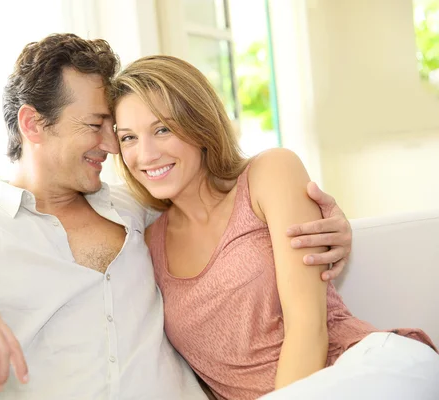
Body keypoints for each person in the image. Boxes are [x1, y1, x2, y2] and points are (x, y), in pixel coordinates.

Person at [0, 34, 352, 399]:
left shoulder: (142, 209)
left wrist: (330, 229)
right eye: (98, 126)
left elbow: (228, 223)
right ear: (33, 124)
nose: (115, 147)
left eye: (118, 130)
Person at [111, 54, 439, 400]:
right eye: (129, 138)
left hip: (368, 370)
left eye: (162, 129)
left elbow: (307, 327)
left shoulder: (269, 175)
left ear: (199, 125)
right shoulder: (146, 242)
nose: (145, 155)